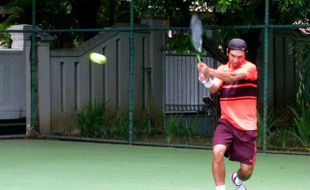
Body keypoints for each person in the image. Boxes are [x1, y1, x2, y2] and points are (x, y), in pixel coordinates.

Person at [197, 38, 258, 190]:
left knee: (246, 171)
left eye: (240, 57)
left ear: (245, 55)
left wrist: (209, 71)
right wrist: (206, 79)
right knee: (217, 152)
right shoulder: (222, 69)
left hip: (247, 126)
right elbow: (214, 88)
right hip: (227, 122)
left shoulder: (250, 68)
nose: (236, 59)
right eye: (233, 56)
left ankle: (237, 179)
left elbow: (232, 77)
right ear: (227, 53)